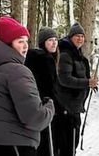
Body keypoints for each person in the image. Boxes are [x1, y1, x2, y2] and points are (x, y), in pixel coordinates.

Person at [0, 16, 55, 156]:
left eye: (26, 41)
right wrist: (49, 108)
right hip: (12, 146)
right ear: (8, 44)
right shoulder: (18, 71)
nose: (26, 46)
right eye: (20, 41)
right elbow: (34, 117)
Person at [56, 23, 98, 156]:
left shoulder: (78, 55)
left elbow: (79, 76)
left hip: (74, 107)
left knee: (72, 143)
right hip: (66, 108)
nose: (80, 39)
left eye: (82, 36)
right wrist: (87, 83)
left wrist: (91, 83)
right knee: (67, 145)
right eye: (77, 36)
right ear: (70, 37)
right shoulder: (65, 55)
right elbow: (64, 79)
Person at [24, 27, 60, 156]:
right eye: (50, 40)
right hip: (45, 108)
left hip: (33, 107)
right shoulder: (46, 59)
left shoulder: (31, 57)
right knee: (47, 146)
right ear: (42, 43)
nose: (54, 43)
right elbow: (50, 87)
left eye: (55, 40)